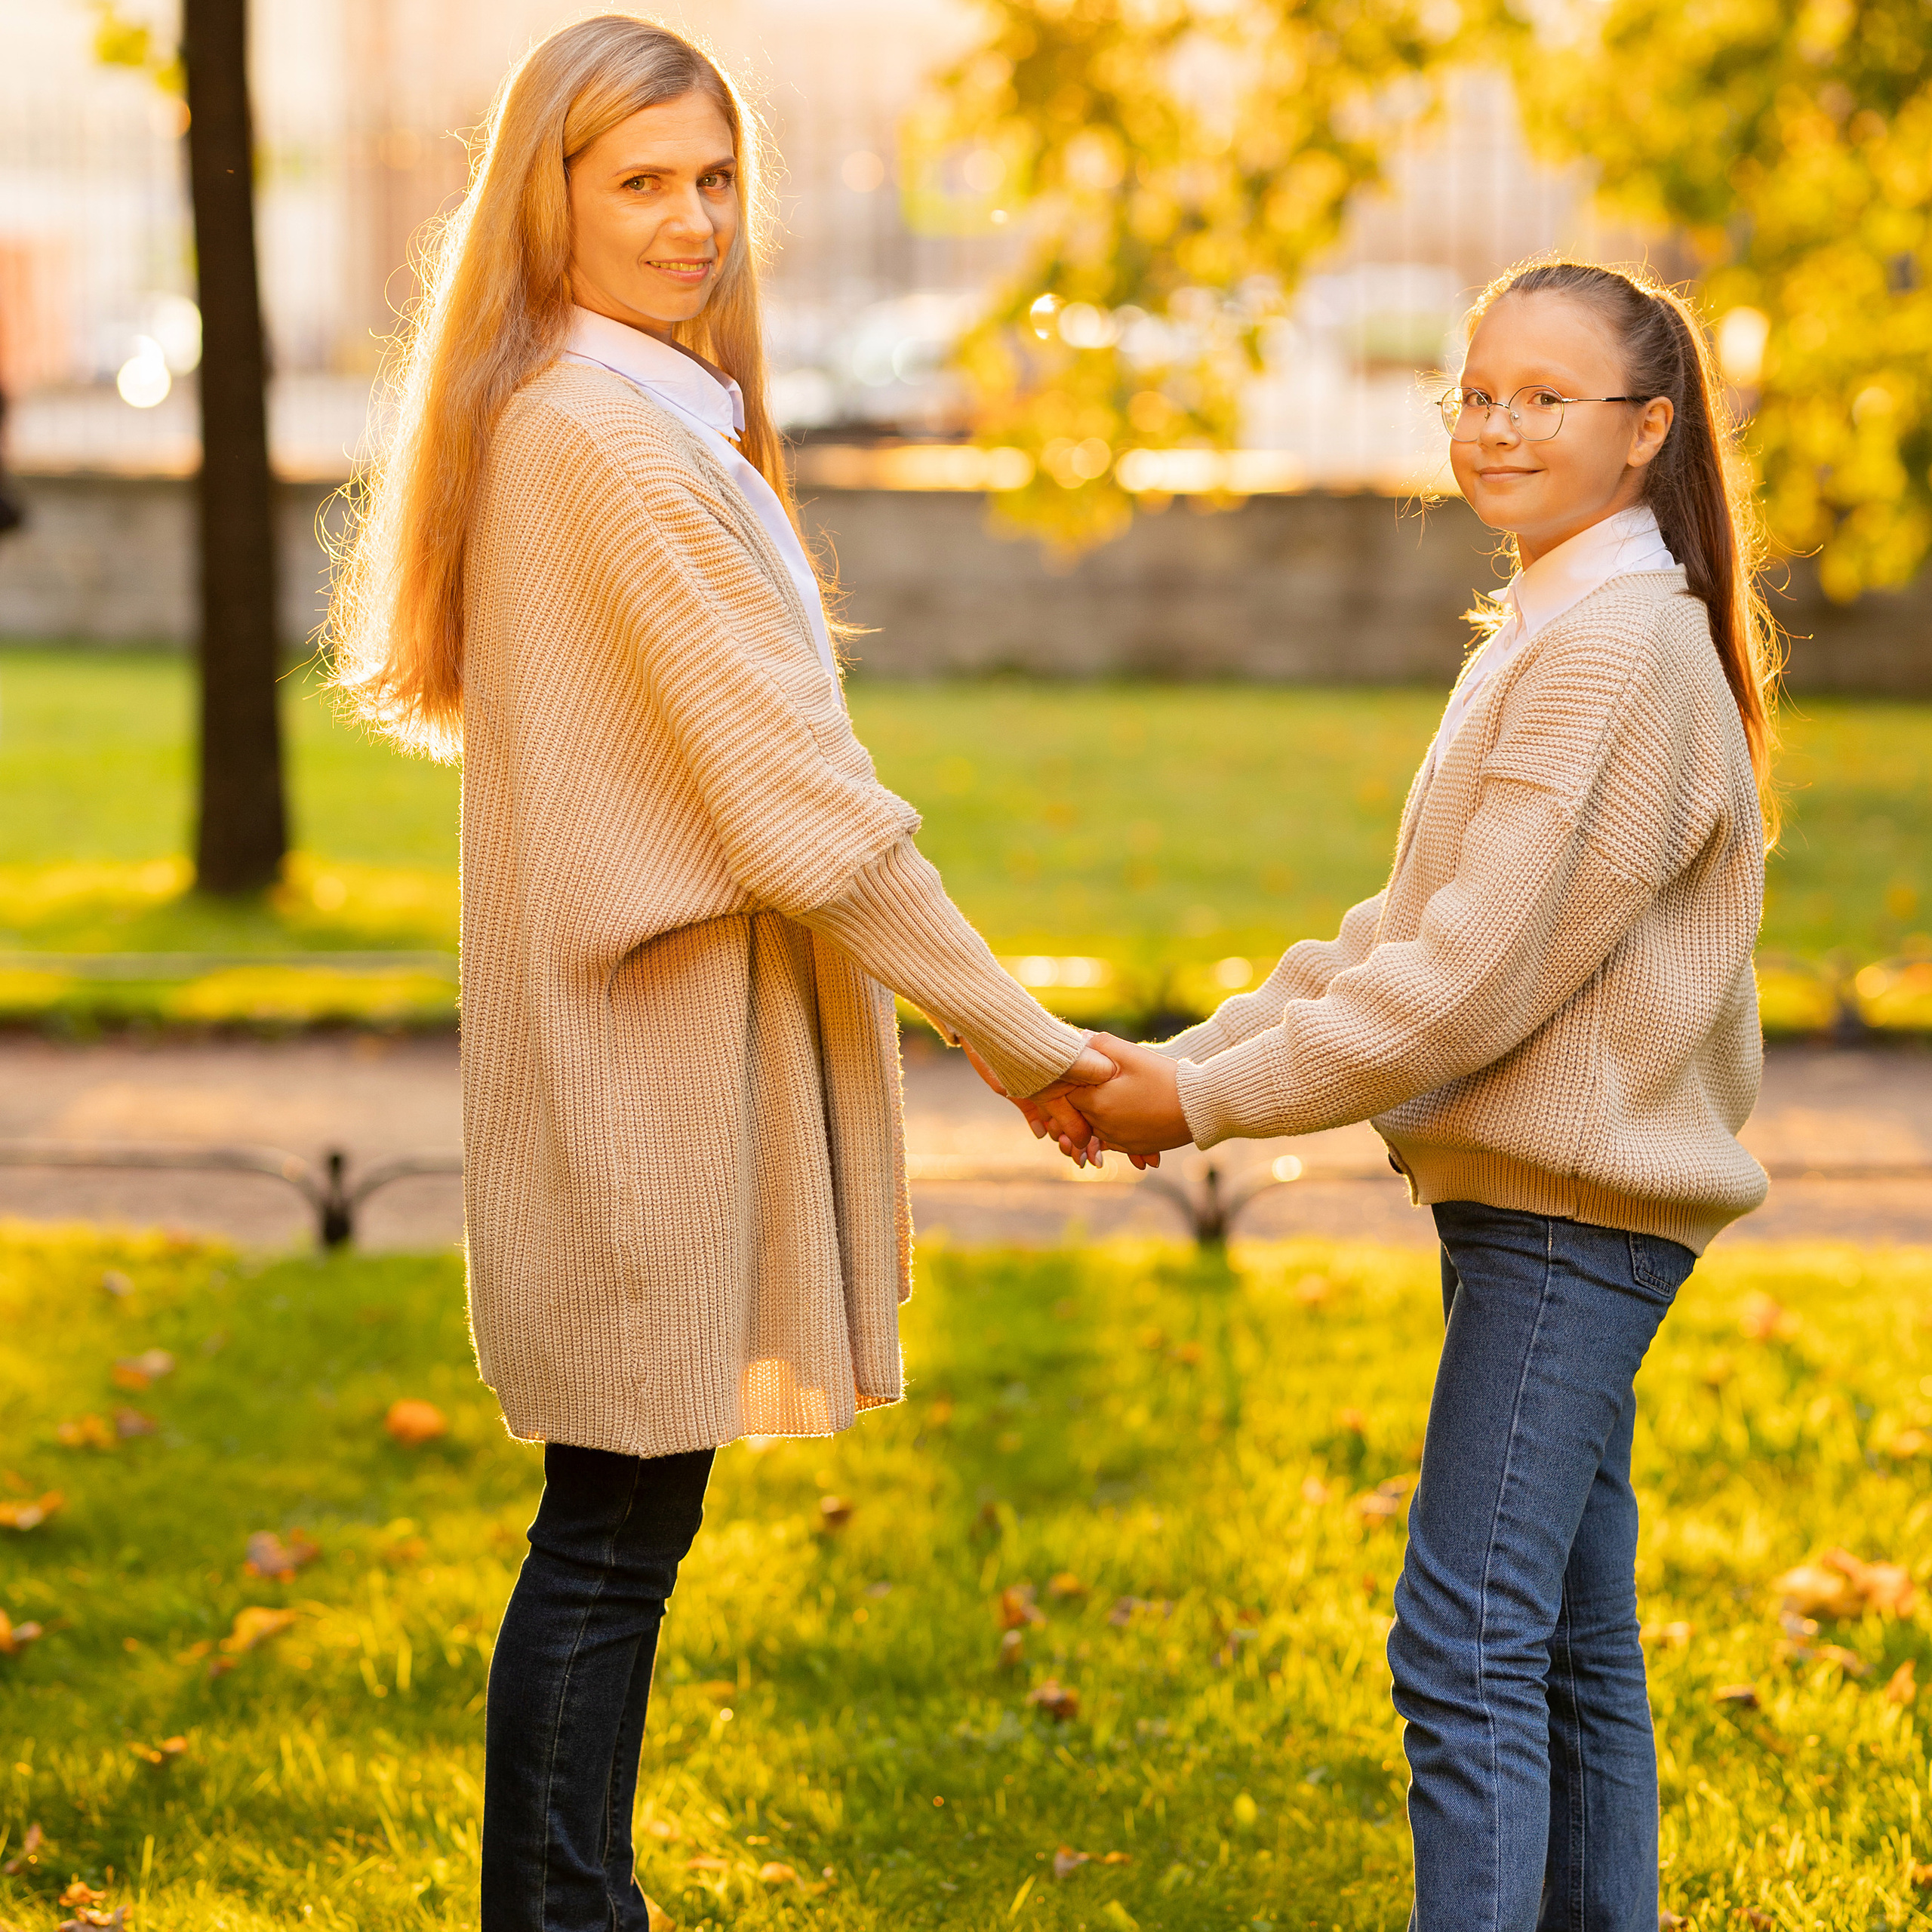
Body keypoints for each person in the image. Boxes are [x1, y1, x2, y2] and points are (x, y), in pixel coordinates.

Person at [325, 17, 1114, 1927]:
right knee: (606, 1532)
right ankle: (567, 1909)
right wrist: (1026, 1044)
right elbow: (807, 816)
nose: (692, 222)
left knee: (614, 1522)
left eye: (713, 178)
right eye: (640, 184)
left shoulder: (632, 409)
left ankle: (576, 1900)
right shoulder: (603, 436)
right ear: (549, 200)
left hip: (636, 1041)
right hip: (640, 1057)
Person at [998, 260, 1777, 1930]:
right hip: (1541, 1211)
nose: (1495, 423)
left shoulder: (1609, 656)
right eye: (1476, 391)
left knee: (1464, 1645)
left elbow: (1461, 985)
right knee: (1564, 1645)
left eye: (1542, 397)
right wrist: (1177, 1064)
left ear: (1644, 432)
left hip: (1570, 1224)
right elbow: (1394, 934)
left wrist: (1192, 1111)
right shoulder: (1559, 627)